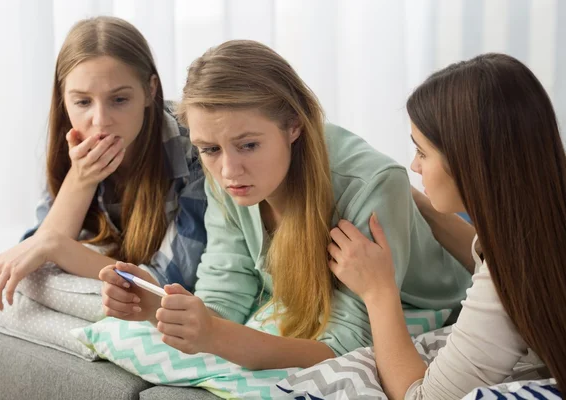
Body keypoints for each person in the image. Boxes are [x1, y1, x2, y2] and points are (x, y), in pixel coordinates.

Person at [100, 40, 471, 370]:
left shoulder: (370, 186)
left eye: (248, 145)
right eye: (209, 149)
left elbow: (346, 344)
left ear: (293, 125)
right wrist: (161, 311)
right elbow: (226, 297)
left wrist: (216, 336)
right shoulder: (227, 180)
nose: (228, 170)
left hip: (412, 306)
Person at [329, 53, 566, 398]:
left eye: (422, 153)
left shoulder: (515, 271)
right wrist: (423, 205)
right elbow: (503, 264)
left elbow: (425, 397)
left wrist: (378, 292)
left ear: (470, 160)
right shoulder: (540, 219)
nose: (413, 165)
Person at [0, 17, 207, 315]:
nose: (100, 120)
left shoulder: (195, 148)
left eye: (119, 99)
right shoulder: (74, 144)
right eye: (83, 102)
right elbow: (32, 255)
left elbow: (166, 285)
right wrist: (81, 180)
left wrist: (57, 246)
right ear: (64, 99)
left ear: (150, 90)